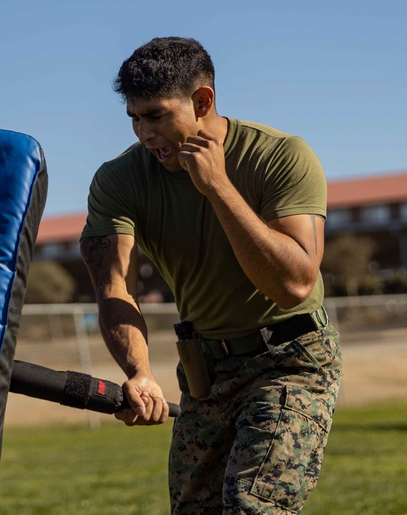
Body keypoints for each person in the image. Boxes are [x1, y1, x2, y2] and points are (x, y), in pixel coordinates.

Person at [79, 37, 342, 514]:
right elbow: (114, 288)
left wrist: (217, 186)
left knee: (252, 506)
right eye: (135, 118)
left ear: (202, 102)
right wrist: (138, 372)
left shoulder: (280, 156)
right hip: (205, 372)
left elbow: (295, 285)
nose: (144, 133)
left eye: (156, 115)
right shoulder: (119, 181)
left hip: (290, 360)